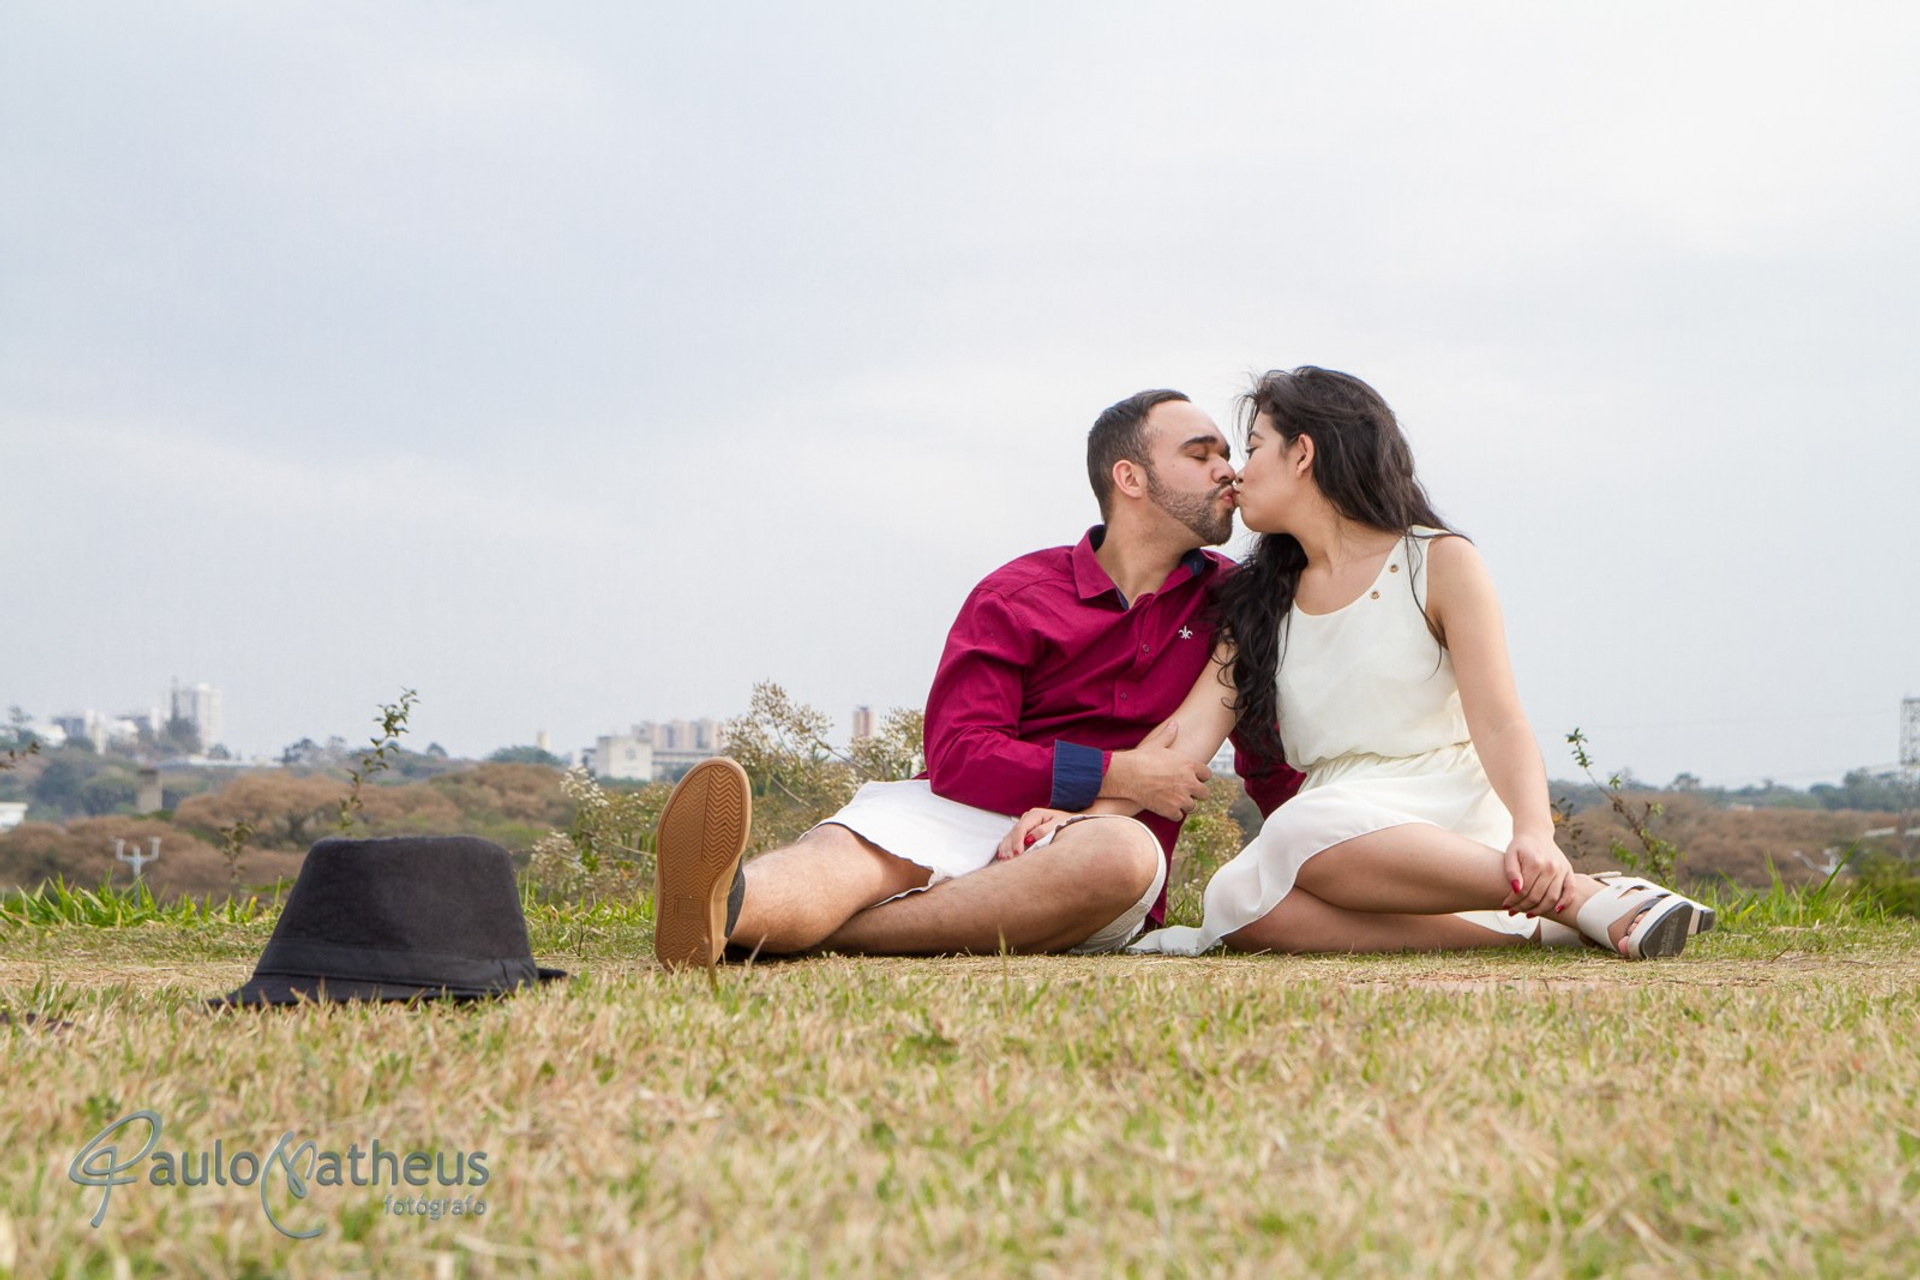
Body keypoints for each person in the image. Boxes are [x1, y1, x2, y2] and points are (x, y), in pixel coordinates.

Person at [1002, 366, 1703, 959]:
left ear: (1303, 454)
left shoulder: (1438, 560)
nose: (1237, 472)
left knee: (1299, 829)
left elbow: (1499, 721)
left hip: (1439, 811)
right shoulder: (1254, 601)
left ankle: (1569, 887)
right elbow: (1184, 739)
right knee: (1234, 901)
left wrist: (1534, 833)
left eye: (1253, 447)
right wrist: (1084, 818)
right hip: (1336, 823)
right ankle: (1549, 923)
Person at [651, 390, 1301, 970]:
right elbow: (959, 752)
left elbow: (1266, 754)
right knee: (845, 859)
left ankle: (809, 935)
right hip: (954, 810)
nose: (1228, 469)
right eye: (1201, 453)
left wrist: (1313, 853)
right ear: (1129, 477)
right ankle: (728, 906)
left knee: (1121, 858)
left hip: (1091, 846)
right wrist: (1117, 771)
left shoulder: (1232, 604)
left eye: (1228, 453)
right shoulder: (1017, 594)